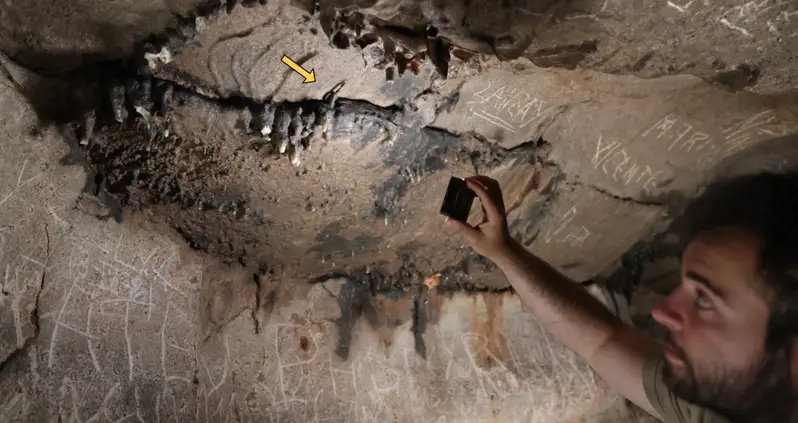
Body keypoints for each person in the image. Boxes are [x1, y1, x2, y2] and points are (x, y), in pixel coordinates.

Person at [445, 173, 798, 423]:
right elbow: (602, 341)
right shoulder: (726, 403)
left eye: (704, 300)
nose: (662, 312)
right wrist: (504, 253)